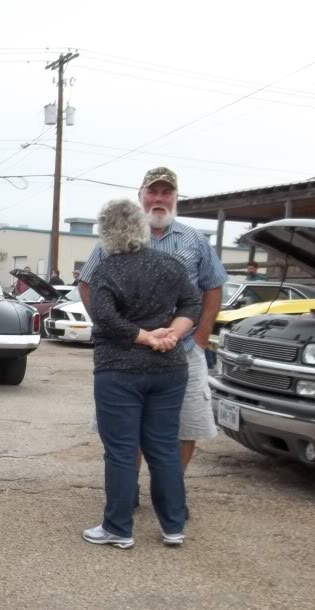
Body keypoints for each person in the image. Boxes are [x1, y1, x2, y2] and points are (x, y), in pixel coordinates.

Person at [78, 167, 227, 494]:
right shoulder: (112, 241)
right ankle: (125, 493)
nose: (159, 199)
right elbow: (86, 284)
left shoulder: (194, 240)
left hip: (183, 353)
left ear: (175, 198)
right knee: (124, 431)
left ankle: (169, 491)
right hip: (125, 357)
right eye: (153, 192)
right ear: (141, 194)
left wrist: (200, 339)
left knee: (185, 429)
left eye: (166, 193)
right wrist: (113, 328)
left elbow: (213, 288)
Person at [82, 199, 201, 549]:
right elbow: (191, 303)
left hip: (119, 370)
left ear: (106, 232)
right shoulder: (170, 264)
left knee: (121, 450)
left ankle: (118, 527)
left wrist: (143, 337)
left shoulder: (107, 270)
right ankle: (173, 527)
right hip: (169, 368)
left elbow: (104, 317)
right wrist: (172, 335)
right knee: (164, 447)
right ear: (142, 226)